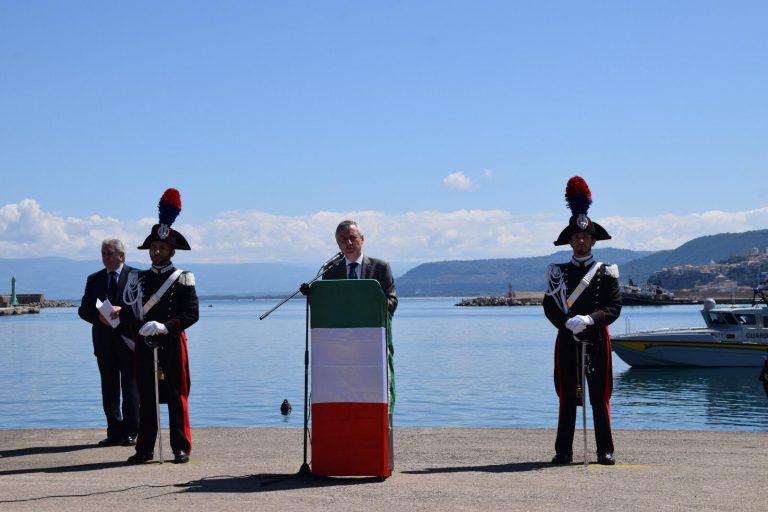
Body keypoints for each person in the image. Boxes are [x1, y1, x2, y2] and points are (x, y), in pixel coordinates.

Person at [543, 176, 622, 466]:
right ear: (571, 241)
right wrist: (566, 323)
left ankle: (605, 450)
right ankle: (563, 450)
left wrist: (590, 318)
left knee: (600, 397)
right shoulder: (557, 272)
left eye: (585, 238)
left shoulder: (607, 272)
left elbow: (614, 307)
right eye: (576, 237)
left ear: (592, 240)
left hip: (598, 339)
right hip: (568, 340)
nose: (580, 241)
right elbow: (549, 306)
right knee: (567, 398)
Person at [121, 188, 199, 464]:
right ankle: (144, 448)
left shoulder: (183, 278)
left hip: (171, 343)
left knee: (177, 396)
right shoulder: (136, 280)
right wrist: (138, 329)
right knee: (147, 396)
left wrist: (166, 326)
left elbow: (191, 314)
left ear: (171, 250)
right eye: (153, 247)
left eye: (162, 247)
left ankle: (180, 447)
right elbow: (128, 313)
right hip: (144, 344)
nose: (157, 251)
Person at [322, 219, 397, 470]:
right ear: (337, 244)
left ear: (362, 239)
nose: (349, 243)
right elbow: (326, 304)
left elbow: (392, 302)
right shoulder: (330, 271)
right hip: (339, 351)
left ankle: (378, 455)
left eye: (353, 238)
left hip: (371, 346)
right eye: (343, 239)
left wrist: (370, 302)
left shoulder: (380, 268)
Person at [78, 239, 139, 447]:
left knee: (130, 388)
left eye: (110, 253)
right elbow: (83, 310)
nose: (105, 257)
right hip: (104, 342)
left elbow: (144, 308)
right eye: (103, 253)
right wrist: (98, 317)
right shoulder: (94, 279)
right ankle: (114, 431)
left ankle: (131, 432)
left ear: (122, 256)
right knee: (109, 388)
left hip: (128, 341)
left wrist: (124, 311)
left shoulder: (136, 277)